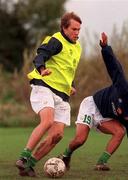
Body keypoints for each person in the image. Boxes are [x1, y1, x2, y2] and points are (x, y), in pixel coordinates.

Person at [59, 32, 128, 172]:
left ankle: (101, 163)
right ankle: (66, 155)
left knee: (120, 132)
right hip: (91, 105)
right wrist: (105, 48)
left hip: (104, 117)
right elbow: (115, 67)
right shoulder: (124, 89)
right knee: (80, 140)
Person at [15, 12, 82, 177]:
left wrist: (71, 85)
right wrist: (42, 69)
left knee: (57, 135)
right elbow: (40, 56)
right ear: (64, 28)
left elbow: (68, 69)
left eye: (79, 29)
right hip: (43, 86)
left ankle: (29, 165)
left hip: (62, 95)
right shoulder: (56, 40)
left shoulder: (78, 47)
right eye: (74, 29)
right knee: (48, 121)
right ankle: (23, 157)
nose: (77, 33)